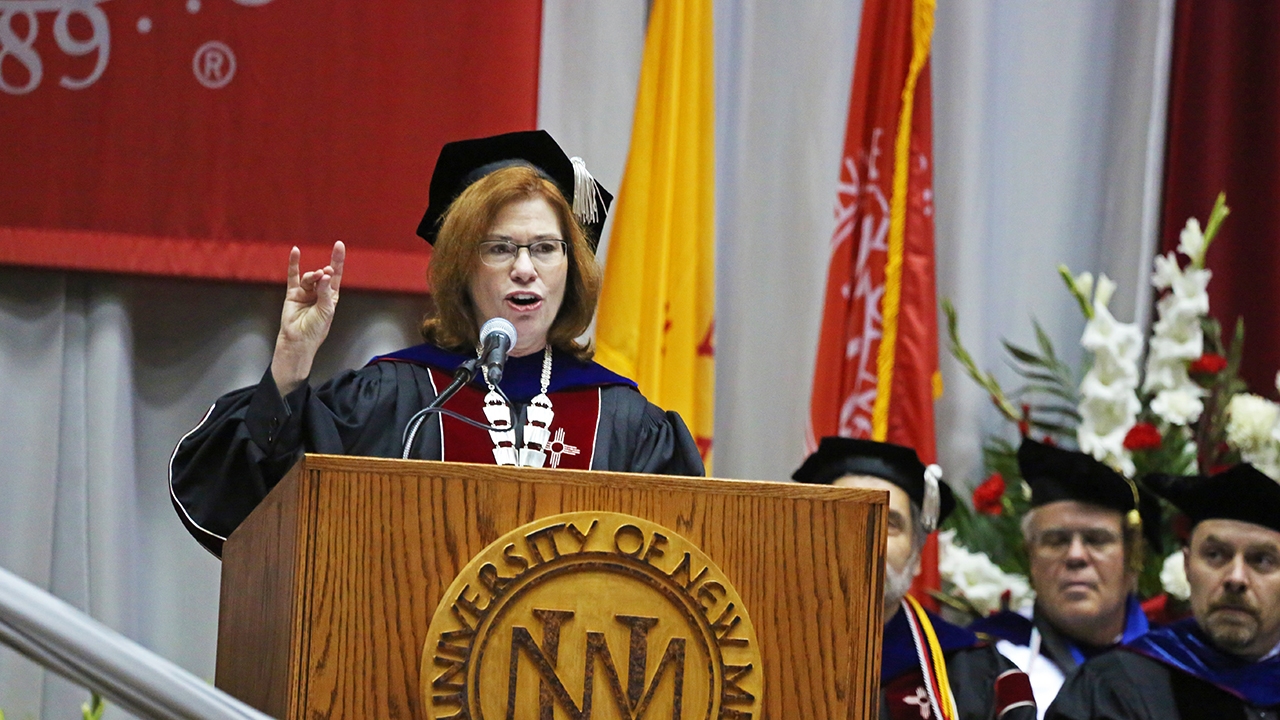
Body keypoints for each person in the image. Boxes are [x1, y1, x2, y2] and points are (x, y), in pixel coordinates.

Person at [170, 130, 704, 556]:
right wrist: (291, 361)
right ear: (462, 270)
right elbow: (256, 505)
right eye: (499, 248)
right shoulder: (397, 400)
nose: (525, 269)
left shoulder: (627, 423)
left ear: (571, 265)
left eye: (545, 248)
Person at [794, 437, 1036, 720]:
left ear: (918, 556)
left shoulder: (979, 674)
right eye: (843, 516)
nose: (865, 536)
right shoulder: (752, 649)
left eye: (890, 523)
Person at [1047, 464, 1280, 719]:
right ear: (1188, 566)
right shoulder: (1116, 686)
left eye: (1262, 560)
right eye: (1215, 555)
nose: (1236, 578)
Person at [968, 439, 1161, 717]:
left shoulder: (1175, 665)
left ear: (1131, 557)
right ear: (1030, 556)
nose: (1075, 556)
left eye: (1096, 540)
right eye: (1056, 540)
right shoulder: (987, 662)